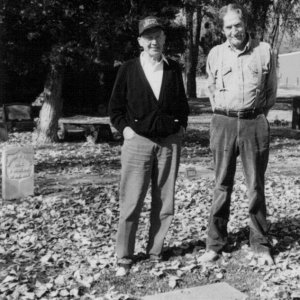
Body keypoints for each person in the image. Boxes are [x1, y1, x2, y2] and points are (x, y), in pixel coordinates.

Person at [109, 16, 189, 276]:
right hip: (138, 144)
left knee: (164, 201)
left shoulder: (173, 68)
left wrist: (180, 129)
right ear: (140, 41)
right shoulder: (128, 69)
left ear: (164, 39)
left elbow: (183, 106)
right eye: (149, 37)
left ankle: (155, 250)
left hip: (168, 144)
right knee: (131, 200)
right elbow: (115, 109)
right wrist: (127, 131)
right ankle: (124, 254)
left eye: (158, 36)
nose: (154, 41)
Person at [200, 3, 277, 265]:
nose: (234, 30)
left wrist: (254, 115)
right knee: (221, 184)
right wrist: (223, 111)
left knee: (255, 185)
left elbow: (271, 91)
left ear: (246, 24)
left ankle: (260, 244)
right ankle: (215, 243)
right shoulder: (215, 54)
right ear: (223, 29)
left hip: (254, 122)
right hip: (222, 123)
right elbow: (210, 86)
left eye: (238, 25)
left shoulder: (264, 51)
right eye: (229, 26)